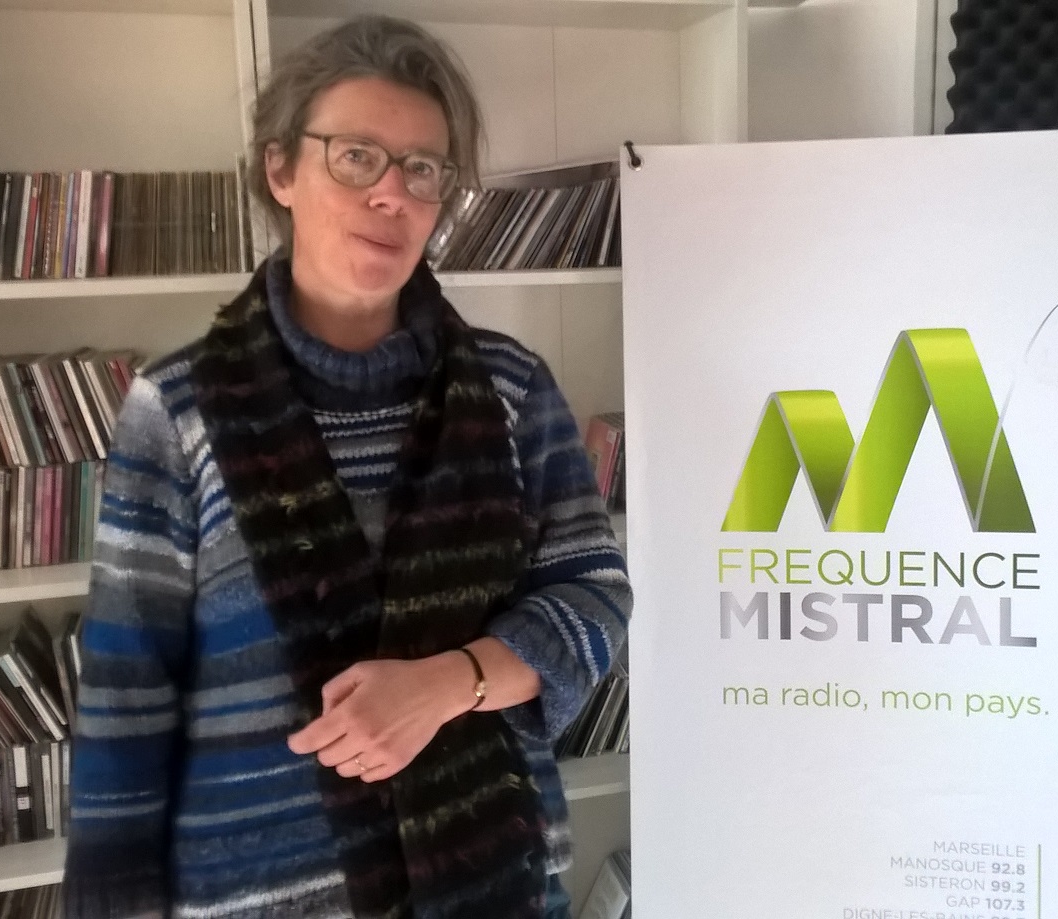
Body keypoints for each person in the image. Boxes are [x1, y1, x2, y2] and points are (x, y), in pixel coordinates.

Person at [62, 15, 632, 919]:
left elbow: (594, 595)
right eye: (357, 157)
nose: (391, 194)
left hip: (494, 885)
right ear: (280, 169)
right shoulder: (177, 407)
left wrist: (448, 682)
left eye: (422, 169)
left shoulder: (509, 386)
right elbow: (128, 693)